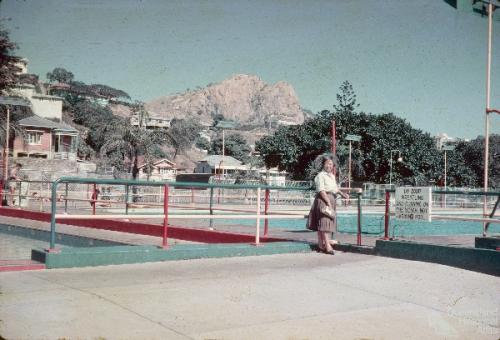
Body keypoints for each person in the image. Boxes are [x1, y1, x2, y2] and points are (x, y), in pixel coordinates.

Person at [307, 155, 349, 254]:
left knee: (326, 222)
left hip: (331, 199)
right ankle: (328, 246)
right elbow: (321, 190)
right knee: (325, 222)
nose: (329, 166)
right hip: (323, 200)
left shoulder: (332, 176)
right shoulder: (320, 176)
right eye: (327, 164)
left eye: (331, 164)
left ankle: (321, 245)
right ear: (323, 165)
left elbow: (334, 189)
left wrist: (343, 194)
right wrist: (328, 202)